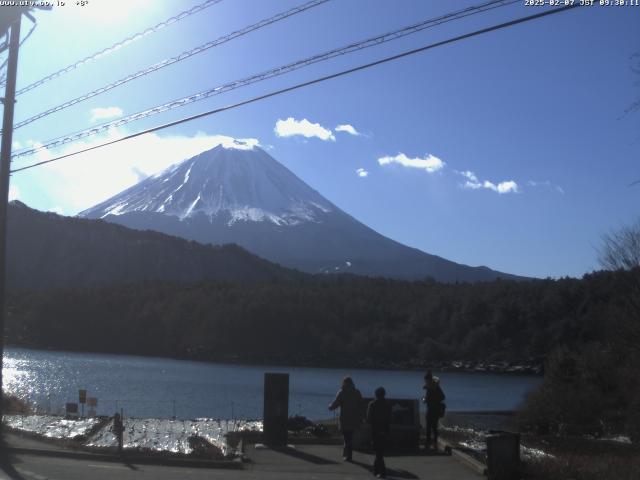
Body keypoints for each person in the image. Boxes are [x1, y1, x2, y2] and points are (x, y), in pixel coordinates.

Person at [328, 376, 363, 461]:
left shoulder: (342, 392)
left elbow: (336, 404)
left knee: (347, 437)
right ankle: (347, 454)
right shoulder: (357, 392)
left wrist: (330, 406)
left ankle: (348, 455)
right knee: (349, 436)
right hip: (354, 418)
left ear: (344, 383)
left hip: (345, 418)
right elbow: (361, 404)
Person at [367, 387, 391, 479]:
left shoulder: (372, 404)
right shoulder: (388, 405)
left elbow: (369, 418)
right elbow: (390, 418)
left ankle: (382, 472)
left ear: (376, 394)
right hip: (385, 429)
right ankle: (376, 470)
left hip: (375, 430)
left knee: (378, 452)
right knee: (380, 451)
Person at [422, 370, 445, 451]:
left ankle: (428, 444)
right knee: (434, 427)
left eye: (426, 379)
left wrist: (425, 399)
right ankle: (434, 444)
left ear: (428, 379)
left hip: (431, 410)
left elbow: (428, 398)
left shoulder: (430, 387)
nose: (425, 381)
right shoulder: (436, 386)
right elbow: (442, 397)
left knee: (429, 427)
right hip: (436, 410)